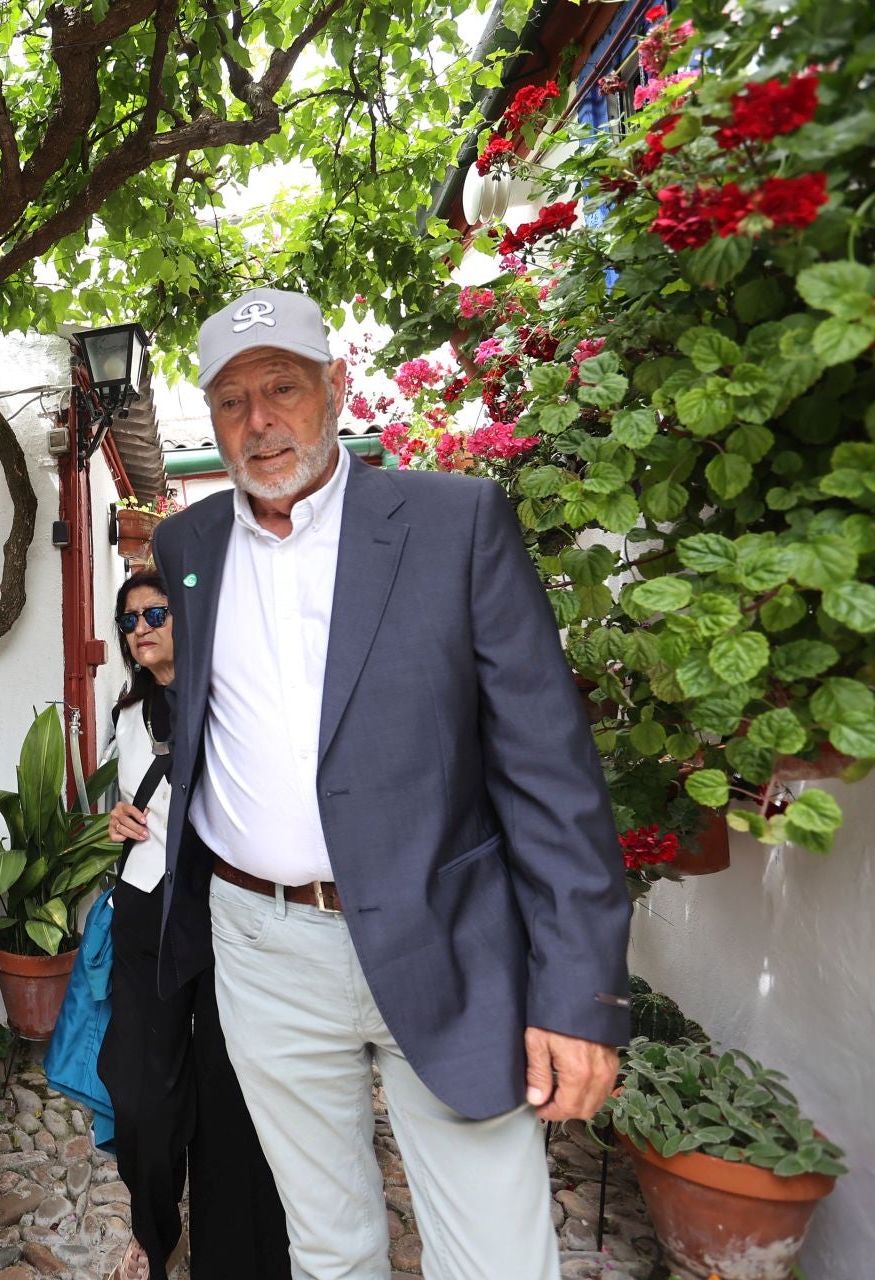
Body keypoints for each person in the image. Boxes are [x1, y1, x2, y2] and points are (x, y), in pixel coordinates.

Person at [149, 288, 632, 1280]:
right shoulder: (188, 547)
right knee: (328, 1245)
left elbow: (550, 770)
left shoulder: (455, 523)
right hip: (261, 945)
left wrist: (580, 991)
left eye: (282, 386)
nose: (259, 420)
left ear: (335, 386)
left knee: (497, 1252)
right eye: (232, 400)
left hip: (443, 932)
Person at [98, 568, 289, 1280]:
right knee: (143, 1098)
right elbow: (127, 806)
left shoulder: (231, 700)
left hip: (228, 912)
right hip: (148, 912)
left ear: (188, 618)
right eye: (129, 621)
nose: (140, 628)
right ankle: (155, 1231)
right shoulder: (125, 713)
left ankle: (235, 1252)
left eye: (155, 613)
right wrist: (115, 820)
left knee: (230, 1090)